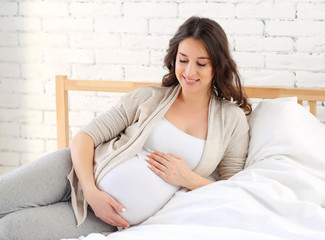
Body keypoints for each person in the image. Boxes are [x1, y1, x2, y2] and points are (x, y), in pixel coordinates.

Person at [0, 16, 251, 239]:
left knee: (10, 229)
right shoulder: (148, 98)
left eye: (201, 63)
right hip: (74, 172)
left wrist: (187, 178)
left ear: (217, 65)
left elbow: (233, 190)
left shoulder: (231, 120)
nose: (189, 71)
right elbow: (85, 137)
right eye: (183, 60)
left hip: (105, 218)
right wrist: (91, 191)